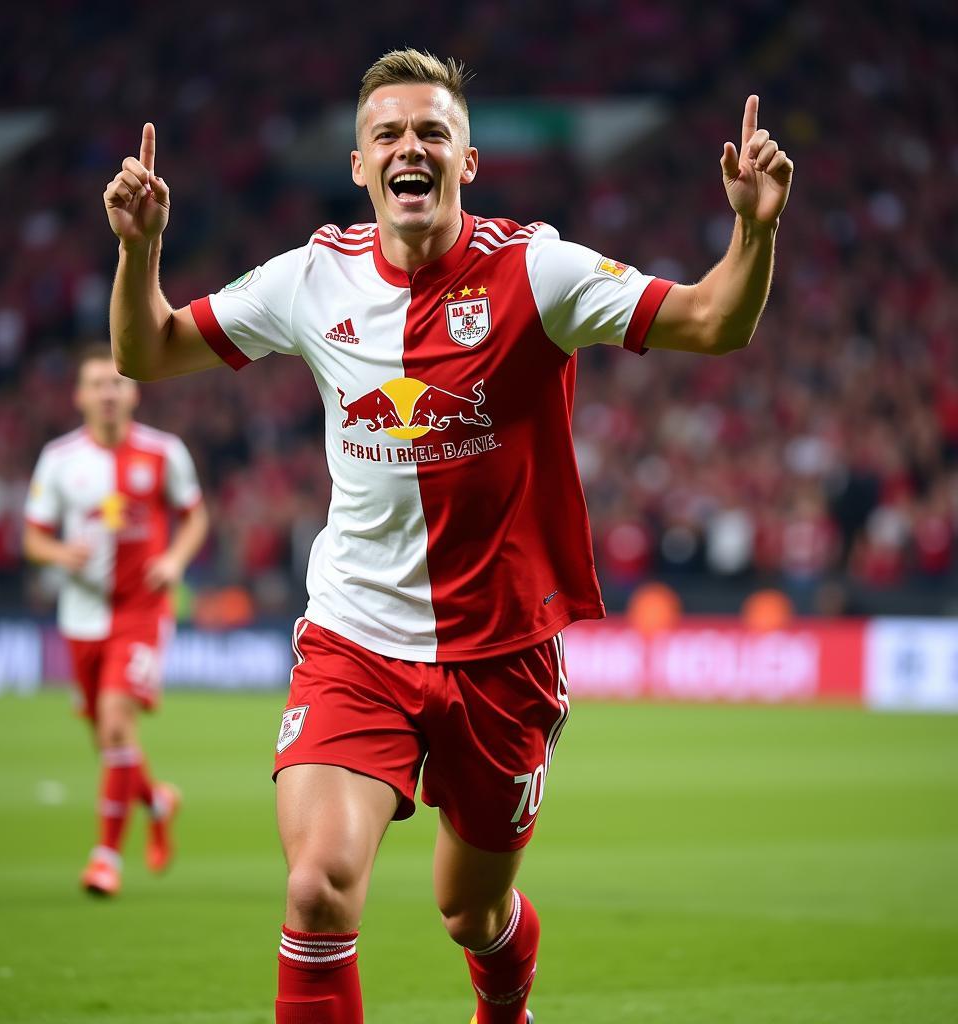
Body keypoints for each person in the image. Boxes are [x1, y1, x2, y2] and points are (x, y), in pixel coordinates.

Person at [103, 49, 793, 1023]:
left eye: (432, 133)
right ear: (358, 164)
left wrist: (752, 234)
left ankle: (504, 1002)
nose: (409, 148)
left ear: (467, 162)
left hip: (502, 652)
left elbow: (713, 320)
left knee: (470, 909)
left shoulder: (535, 270)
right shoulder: (313, 277)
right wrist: (139, 252)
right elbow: (146, 350)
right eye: (388, 133)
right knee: (315, 889)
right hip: (356, 641)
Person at [24, 344, 209, 897]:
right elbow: (33, 537)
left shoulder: (163, 452)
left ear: (133, 390)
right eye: (97, 384)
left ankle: (105, 857)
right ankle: (156, 800)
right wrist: (60, 556)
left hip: (141, 611)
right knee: (109, 740)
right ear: (79, 395)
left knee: (113, 722)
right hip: (81, 618)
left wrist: (174, 561)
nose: (108, 393)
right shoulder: (58, 460)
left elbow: (196, 516)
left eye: (117, 382)